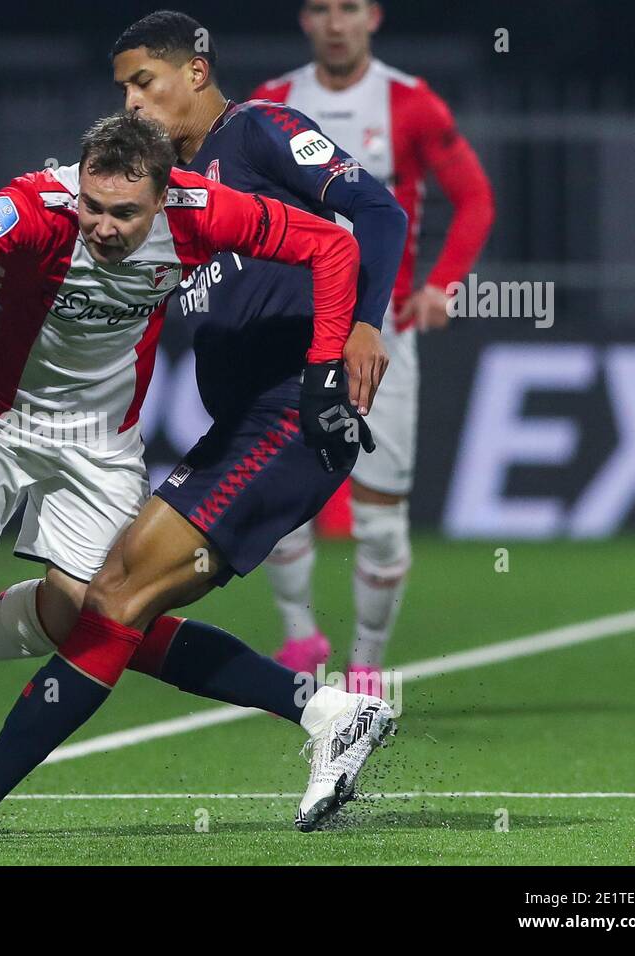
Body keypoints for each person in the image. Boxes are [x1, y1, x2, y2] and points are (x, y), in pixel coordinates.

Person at [0, 12, 408, 841]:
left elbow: (357, 227)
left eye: (145, 81)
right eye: (122, 90)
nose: (134, 101)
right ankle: (325, 712)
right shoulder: (92, 195)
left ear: (198, 72)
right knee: (103, 610)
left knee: (116, 601)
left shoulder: (241, 156)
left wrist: (349, 338)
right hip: (179, 419)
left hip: (278, 412)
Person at [254, 0, 495, 691]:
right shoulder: (271, 104)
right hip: (292, 331)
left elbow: (474, 198)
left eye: (349, 8)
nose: (336, 23)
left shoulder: (409, 104)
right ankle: (301, 641)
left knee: (381, 519)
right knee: (277, 501)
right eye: (322, 9)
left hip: (380, 332)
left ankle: (366, 665)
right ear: (304, 20)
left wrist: (442, 287)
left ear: (374, 18)